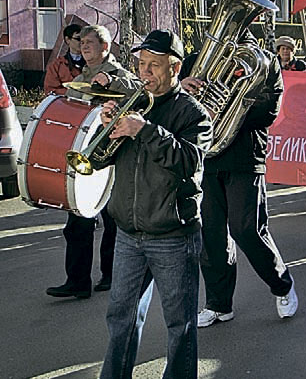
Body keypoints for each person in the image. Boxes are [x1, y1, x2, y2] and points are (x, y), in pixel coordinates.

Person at [95, 29, 212, 378]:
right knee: (120, 318)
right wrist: (106, 129)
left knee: (179, 324)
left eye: (154, 66)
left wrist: (143, 130)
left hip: (173, 234)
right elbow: (100, 160)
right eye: (142, 64)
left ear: (174, 68)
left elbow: (190, 160)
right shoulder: (131, 103)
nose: (145, 73)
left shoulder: (192, 112)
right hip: (129, 232)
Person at [179, 31, 299, 328]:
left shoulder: (263, 62)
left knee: (247, 230)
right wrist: (184, 90)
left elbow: (268, 111)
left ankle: (282, 285)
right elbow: (175, 104)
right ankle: (219, 305)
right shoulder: (197, 61)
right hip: (207, 157)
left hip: (245, 157)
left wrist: (229, 102)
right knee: (211, 236)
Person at [46, 25, 139, 299]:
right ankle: (77, 281)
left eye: (90, 43)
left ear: (106, 47)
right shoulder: (80, 78)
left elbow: (138, 93)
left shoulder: (119, 74)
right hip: (85, 155)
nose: (84, 46)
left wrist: (112, 84)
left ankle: (111, 275)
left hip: (112, 159)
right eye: (82, 42)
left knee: (113, 220)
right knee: (77, 221)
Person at [43, 24, 85, 95]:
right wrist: (71, 93)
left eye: (84, 39)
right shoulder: (57, 65)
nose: (82, 42)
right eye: (78, 39)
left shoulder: (93, 62)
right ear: (67, 40)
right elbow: (50, 89)